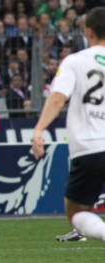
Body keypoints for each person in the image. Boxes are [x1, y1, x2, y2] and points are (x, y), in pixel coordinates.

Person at [32, 8, 105, 247]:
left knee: (75, 211)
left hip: (90, 148)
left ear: (89, 31)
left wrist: (39, 129)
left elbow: (57, 98)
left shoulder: (76, 61)